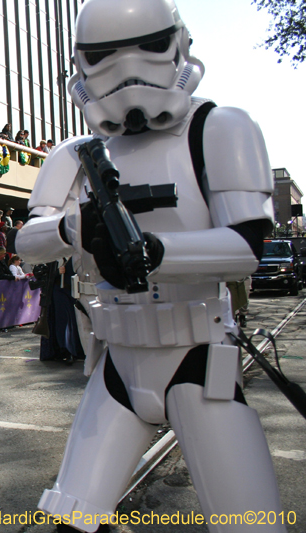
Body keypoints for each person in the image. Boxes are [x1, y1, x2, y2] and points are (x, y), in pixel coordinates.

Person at [15, 0, 285, 529]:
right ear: (82, 64)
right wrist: (73, 229)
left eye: (148, 47)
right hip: (117, 364)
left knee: (249, 523)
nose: (126, 70)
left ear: (178, 45)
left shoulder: (218, 128)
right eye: (104, 56)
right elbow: (28, 240)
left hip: (198, 357)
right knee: (72, 515)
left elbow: (246, 246)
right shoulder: (78, 154)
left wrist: (154, 252)